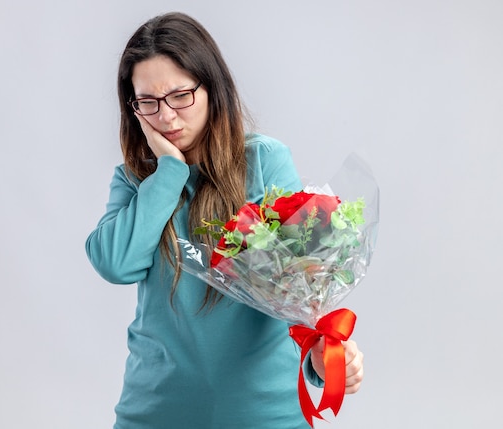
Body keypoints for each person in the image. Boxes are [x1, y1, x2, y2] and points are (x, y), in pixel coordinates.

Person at [86, 11, 364, 429]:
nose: (166, 117)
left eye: (180, 95)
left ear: (211, 87)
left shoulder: (263, 161)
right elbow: (115, 263)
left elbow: (302, 284)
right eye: (148, 102)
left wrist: (320, 362)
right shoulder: (135, 180)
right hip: (155, 413)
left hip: (266, 413)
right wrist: (170, 172)